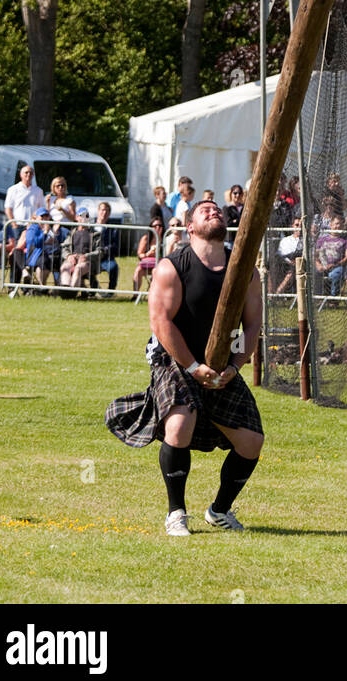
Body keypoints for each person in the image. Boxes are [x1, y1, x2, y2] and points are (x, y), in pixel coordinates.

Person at [105, 199, 263, 537]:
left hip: (222, 363)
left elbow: (252, 326)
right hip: (174, 358)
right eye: (204, 210)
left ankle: (219, 511)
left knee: (251, 441)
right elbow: (161, 323)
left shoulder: (246, 269)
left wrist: (234, 367)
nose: (213, 210)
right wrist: (192, 367)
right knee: (179, 425)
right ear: (190, 226)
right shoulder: (172, 267)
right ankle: (176, 512)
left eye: (217, 208)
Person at [4, 164, 45, 238]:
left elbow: (41, 209)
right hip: (18, 225)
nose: (28, 174)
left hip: (33, 226)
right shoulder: (13, 189)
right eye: (26, 172)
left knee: (31, 248)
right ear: (21, 175)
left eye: (31, 173)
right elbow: (8, 209)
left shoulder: (38, 191)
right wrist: (14, 225)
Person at [60, 207, 95, 293]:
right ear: (76, 218)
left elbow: (100, 251)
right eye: (81, 216)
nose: (84, 218)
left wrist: (86, 256)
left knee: (78, 269)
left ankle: (72, 292)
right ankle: (65, 290)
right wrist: (68, 256)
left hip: (87, 261)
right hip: (72, 259)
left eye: (86, 216)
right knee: (64, 267)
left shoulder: (94, 234)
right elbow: (64, 247)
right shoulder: (72, 233)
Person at [315, 216, 347, 296]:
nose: (338, 226)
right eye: (336, 224)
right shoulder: (322, 239)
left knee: (337, 274)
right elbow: (316, 255)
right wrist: (318, 264)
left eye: (341, 225)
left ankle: (333, 298)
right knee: (315, 273)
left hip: (336, 266)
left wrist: (335, 265)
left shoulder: (345, 240)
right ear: (330, 224)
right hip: (322, 265)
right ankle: (318, 297)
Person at [133, 217, 162, 296]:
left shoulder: (165, 239)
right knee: (138, 270)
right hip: (147, 264)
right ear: (151, 227)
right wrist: (147, 254)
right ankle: (135, 295)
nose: (158, 228)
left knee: (155, 271)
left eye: (160, 225)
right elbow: (140, 254)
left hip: (159, 266)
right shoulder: (146, 239)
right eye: (155, 226)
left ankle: (153, 295)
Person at [96, 202, 119, 292]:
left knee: (114, 267)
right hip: (91, 257)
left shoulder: (113, 228)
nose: (104, 212)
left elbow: (115, 245)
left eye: (107, 210)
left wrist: (105, 250)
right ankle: (93, 289)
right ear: (98, 211)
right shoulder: (90, 226)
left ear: (109, 213)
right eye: (102, 210)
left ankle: (111, 291)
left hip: (106, 258)